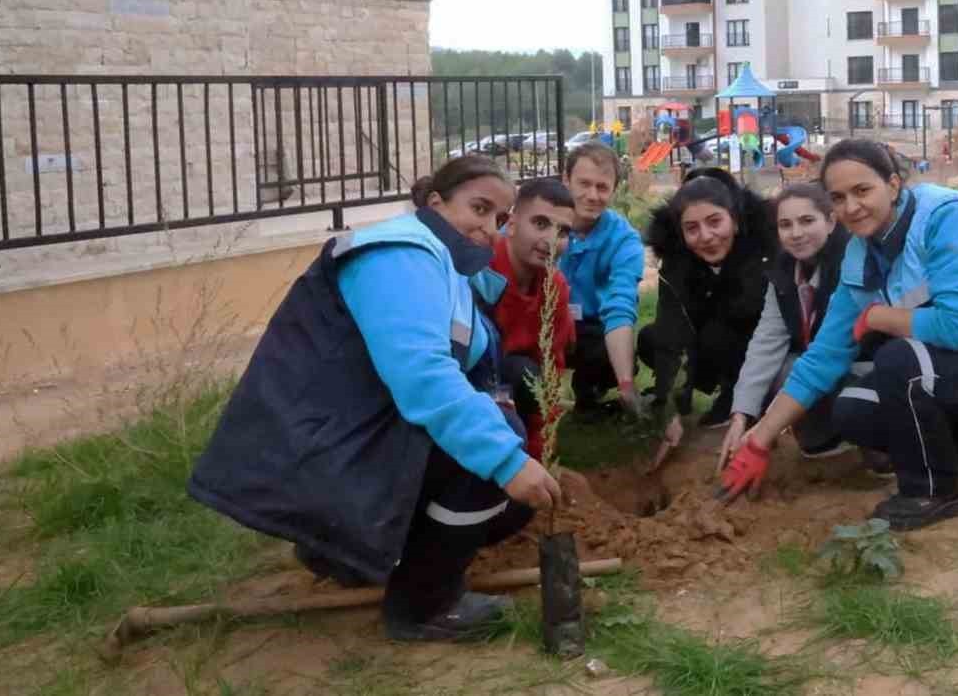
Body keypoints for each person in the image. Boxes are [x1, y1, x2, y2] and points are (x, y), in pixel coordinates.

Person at [188, 155, 563, 641]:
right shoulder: (397, 255)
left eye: (498, 218)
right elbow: (423, 374)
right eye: (478, 208)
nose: (488, 228)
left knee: (508, 491)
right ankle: (421, 606)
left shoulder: (443, 267)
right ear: (434, 201)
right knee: (490, 457)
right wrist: (506, 460)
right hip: (321, 446)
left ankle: (353, 553)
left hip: (355, 432)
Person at [720, 138, 958, 532]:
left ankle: (935, 492)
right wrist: (760, 438)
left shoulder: (946, 216)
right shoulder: (861, 255)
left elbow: (956, 326)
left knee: (899, 360)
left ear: (894, 185)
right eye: (838, 197)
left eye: (862, 190)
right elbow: (823, 357)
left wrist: (879, 316)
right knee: (851, 409)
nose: (851, 207)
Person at [638, 167, 774, 468]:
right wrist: (672, 408)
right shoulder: (676, 260)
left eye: (715, 222)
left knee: (720, 331)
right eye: (692, 228)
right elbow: (671, 330)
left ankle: (743, 396)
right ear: (681, 233)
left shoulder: (764, 248)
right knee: (651, 338)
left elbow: (771, 322)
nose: (706, 237)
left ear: (735, 221)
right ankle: (687, 397)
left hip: (760, 344)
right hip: (708, 343)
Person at [716, 182, 852, 470]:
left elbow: (836, 350)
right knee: (780, 367)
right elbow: (766, 341)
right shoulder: (783, 271)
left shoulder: (852, 263)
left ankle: (874, 449)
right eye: (785, 225)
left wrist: (764, 430)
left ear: (830, 221)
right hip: (821, 367)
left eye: (807, 221)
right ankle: (821, 443)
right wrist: (741, 414)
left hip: (862, 364)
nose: (797, 233)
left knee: (796, 369)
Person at [476, 177, 577, 461]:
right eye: (540, 224)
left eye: (562, 231)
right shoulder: (481, 273)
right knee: (517, 372)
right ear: (512, 223)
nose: (550, 240)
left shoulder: (554, 286)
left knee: (531, 373)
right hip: (473, 387)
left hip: (516, 381)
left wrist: (540, 450)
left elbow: (552, 369)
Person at [559, 142, 647, 417]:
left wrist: (626, 385)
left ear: (614, 189)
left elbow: (620, 305)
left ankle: (588, 394)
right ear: (566, 180)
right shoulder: (541, 222)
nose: (592, 195)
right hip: (537, 320)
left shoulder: (625, 240)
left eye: (602, 187)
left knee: (615, 358)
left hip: (589, 326)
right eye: (583, 184)